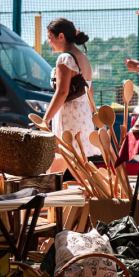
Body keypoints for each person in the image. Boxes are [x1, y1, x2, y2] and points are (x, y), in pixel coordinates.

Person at [43, 18, 98, 168]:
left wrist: (46, 119)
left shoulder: (65, 58)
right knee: (76, 160)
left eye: (49, 37)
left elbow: (62, 92)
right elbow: (90, 91)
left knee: (68, 158)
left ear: (61, 37)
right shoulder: (83, 57)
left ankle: (89, 188)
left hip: (69, 114)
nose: (48, 42)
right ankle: (90, 187)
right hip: (83, 113)